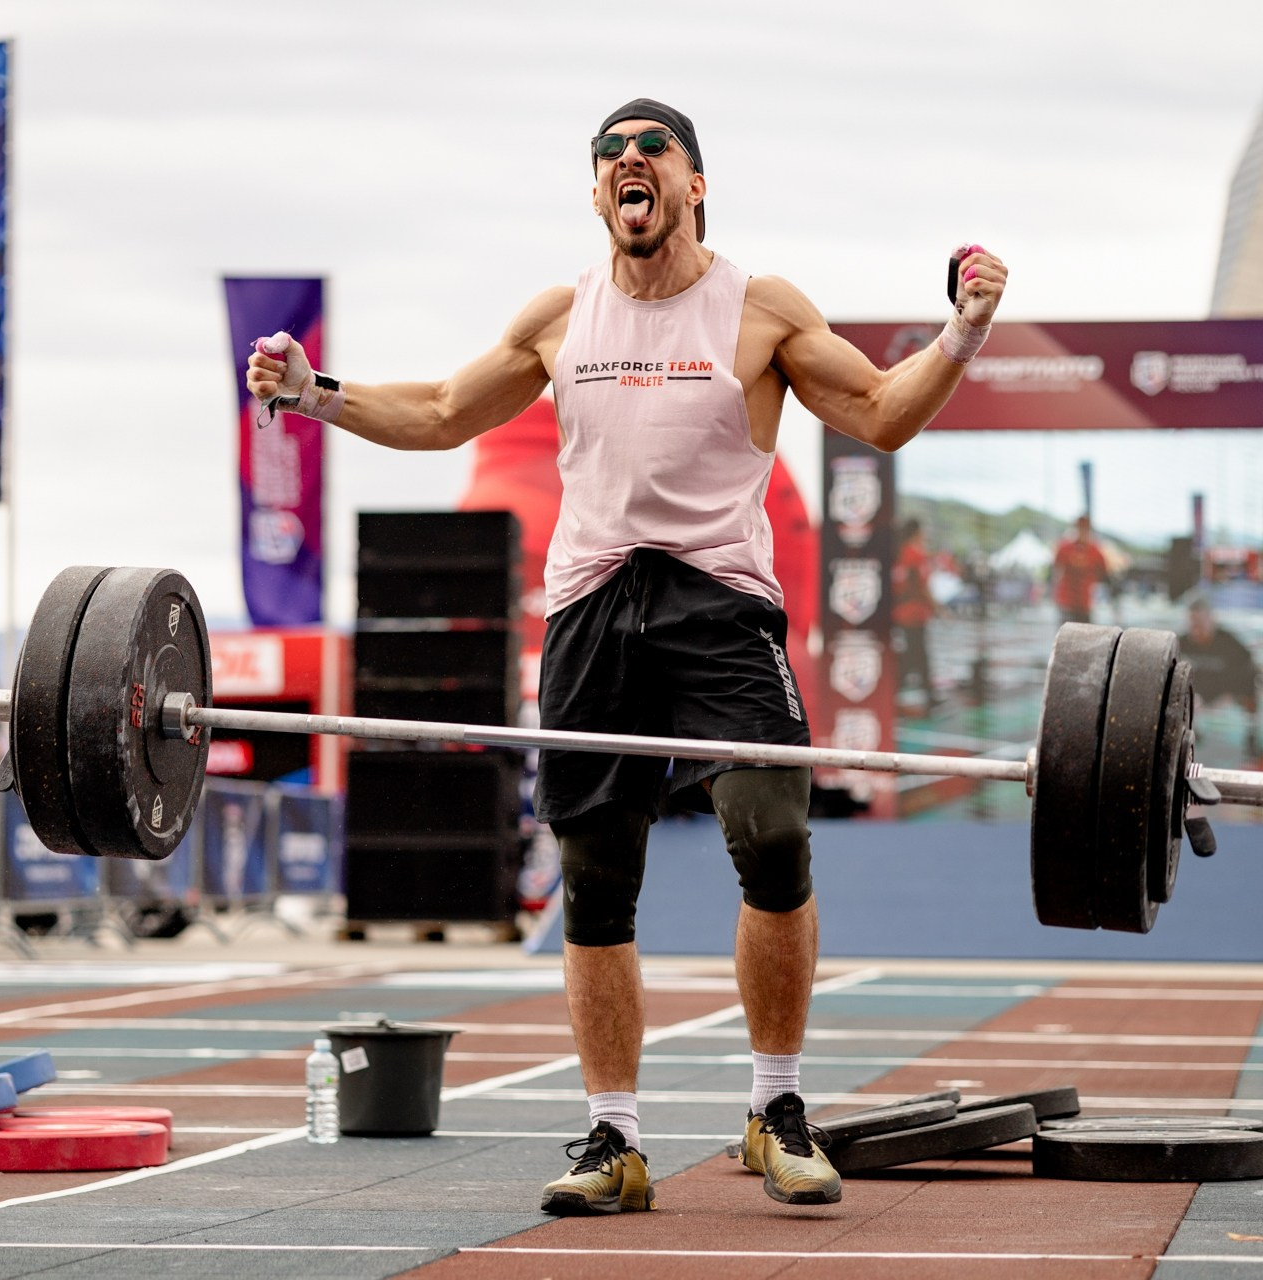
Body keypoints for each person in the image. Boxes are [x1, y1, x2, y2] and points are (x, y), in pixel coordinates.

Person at [247, 97, 1007, 1215]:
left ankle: (774, 1107)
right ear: (596, 194)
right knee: (597, 881)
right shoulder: (563, 316)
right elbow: (447, 408)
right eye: (607, 156)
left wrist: (964, 330)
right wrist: (317, 393)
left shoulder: (758, 310)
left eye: (650, 149)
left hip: (718, 606)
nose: (626, 164)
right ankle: (614, 1135)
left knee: (773, 832)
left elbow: (882, 414)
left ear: (695, 185)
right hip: (593, 609)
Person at [1179, 596, 1260, 759]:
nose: (1196, 631)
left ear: (1211, 620)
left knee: (1251, 677)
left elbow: (1248, 668)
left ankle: (1251, 734)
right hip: (1197, 690)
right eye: (1192, 625)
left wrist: (1230, 696)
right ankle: (1187, 734)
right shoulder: (1182, 642)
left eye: (1200, 625)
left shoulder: (1228, 642)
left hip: (1226, 689)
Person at [891, 518, 938, 708]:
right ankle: (926, 693)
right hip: (915, 613)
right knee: (917, 654)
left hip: (900, 612)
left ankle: (925, 691)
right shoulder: (917, 556)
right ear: (917, 532)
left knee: (914, 652)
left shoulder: (899, 553)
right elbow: (922, 587)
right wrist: (938, 608)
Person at [1051, 515, 1112, 624]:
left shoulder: (1095, 551)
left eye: (1085, 528)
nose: (1082, 531)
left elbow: (1104, 573)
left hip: (1085, 604)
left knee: (1085, 637)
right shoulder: (1064, 548)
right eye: (1080, 527)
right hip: (1066, 603)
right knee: (1065, 636)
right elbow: (1055, 570)